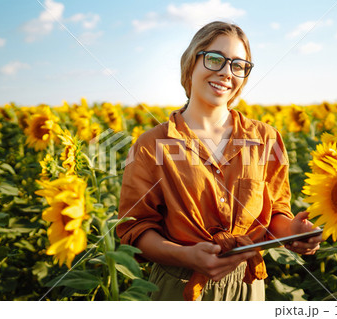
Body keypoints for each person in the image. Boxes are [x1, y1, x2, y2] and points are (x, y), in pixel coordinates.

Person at [116, 21, 321, 301]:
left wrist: (293, 232)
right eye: (215, 59)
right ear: (191, 63)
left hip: (248, 287)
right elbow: (134, 228)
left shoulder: (266, 138)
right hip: (179, 285)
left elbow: (275, 214)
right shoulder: (151, 144)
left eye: (238, 65)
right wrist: (186, 255)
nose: (226, 72)